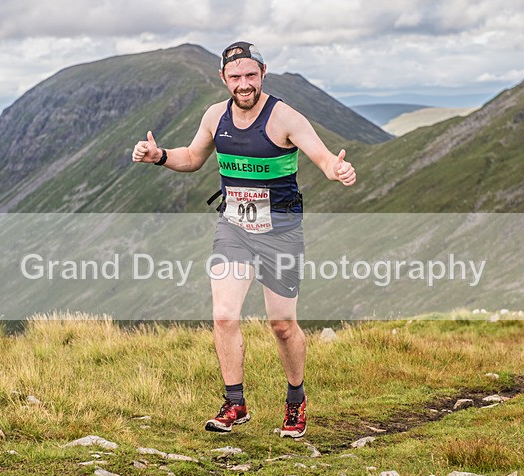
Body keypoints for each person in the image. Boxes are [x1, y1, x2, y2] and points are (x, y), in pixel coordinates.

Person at [132, 41, 356, 438]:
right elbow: (193, 157)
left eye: (251, 75)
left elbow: (322, 158)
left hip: (281, 234)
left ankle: (295, 400)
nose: (244, 84)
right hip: (233, 229)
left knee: (282, 325)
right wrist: (161, 155)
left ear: (263, 73)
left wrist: (336, 169)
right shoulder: (215, 116)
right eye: (235, 77)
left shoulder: (284, 117)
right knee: (224, 315)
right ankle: (235, 402)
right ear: (223, 78)